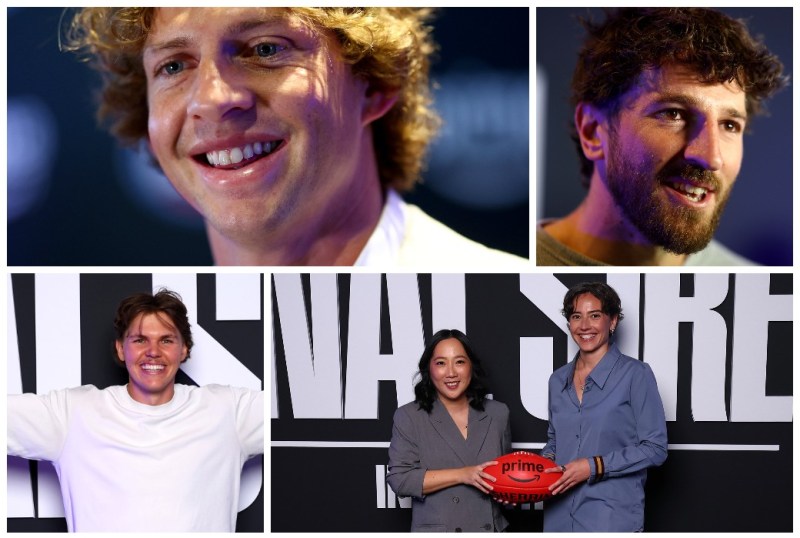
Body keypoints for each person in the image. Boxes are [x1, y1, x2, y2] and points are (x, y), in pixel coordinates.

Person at [63, 8, 526, 267]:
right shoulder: (140, 353)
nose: (212, 98)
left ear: (376, 83)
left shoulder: (517, 309)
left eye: (265, 49)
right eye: (174, 66)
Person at [537, 7, 788, 266]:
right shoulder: (510, 269)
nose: (711, 157)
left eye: (729, 125)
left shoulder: (764, 295)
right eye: (673, 114)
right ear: (592, 131)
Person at [7, 289, 264, 532]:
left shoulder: (228, 411)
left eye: (166, 340)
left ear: (184, 348)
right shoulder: (73, 413)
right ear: (121, 348)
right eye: (140, 340)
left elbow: (297, 419)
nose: (153, 352)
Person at [540, 281, 667, 531]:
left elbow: (655, 448)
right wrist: (539, 471)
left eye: (595, 316)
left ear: (612, 322)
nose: (584, 326)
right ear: (569, 325)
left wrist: (593, 466)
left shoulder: (635, 374)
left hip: (610, 519)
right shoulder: (557, 380)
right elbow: (554, 442)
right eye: (577, 317)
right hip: (558, 518)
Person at [387, 329, 511, 532]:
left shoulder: (498, 413)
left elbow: (503, 475)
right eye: (441, 363)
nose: (451, 372)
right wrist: (463, 475)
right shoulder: (410, 416)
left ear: (471, 366)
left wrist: (512, 494)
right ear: (429, 368)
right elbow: (400, 480)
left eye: (459, 361)